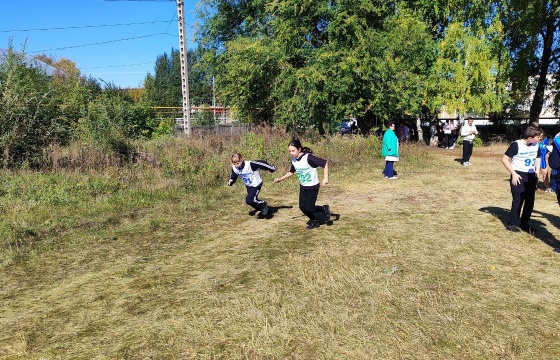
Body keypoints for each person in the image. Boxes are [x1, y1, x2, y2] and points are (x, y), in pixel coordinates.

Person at [274, 139, 331, 230]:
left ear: (299, 149)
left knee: (310, 208)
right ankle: (314, 220)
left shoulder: (308, 157)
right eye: (290, 151)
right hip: (303, 186)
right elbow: (291, 172)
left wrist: (325, 178)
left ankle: (324, 209)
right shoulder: (294, 160)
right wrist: (280, 179)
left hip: (313, 186)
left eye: (293, 151)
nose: (291, 153)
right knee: (302, 207)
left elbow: (325, 163)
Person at [501, 125, 541, 233]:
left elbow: (538, 157)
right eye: (537, 137)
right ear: (530, 138)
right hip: (518, 175)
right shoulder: (516, 145)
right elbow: (504, 159)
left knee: (530, 201)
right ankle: (512, 223)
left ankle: (525, 223)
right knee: (518, 199)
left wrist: (536, 171)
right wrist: (513, 173)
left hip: (531, 175)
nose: (539, 139)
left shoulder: (536, 145)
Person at [227, 153, 276, 218]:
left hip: (256, 184)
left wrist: (271, 168)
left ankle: (263, 204)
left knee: (249, 200)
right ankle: (264, 209)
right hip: (248, 186)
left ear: (241, 160)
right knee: (251, 201)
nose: (237, 165)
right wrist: (230, 181)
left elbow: (262, 163)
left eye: (238, 163)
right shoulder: (234, 168)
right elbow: (233, 177)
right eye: (234, 163)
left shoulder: (250, 164)